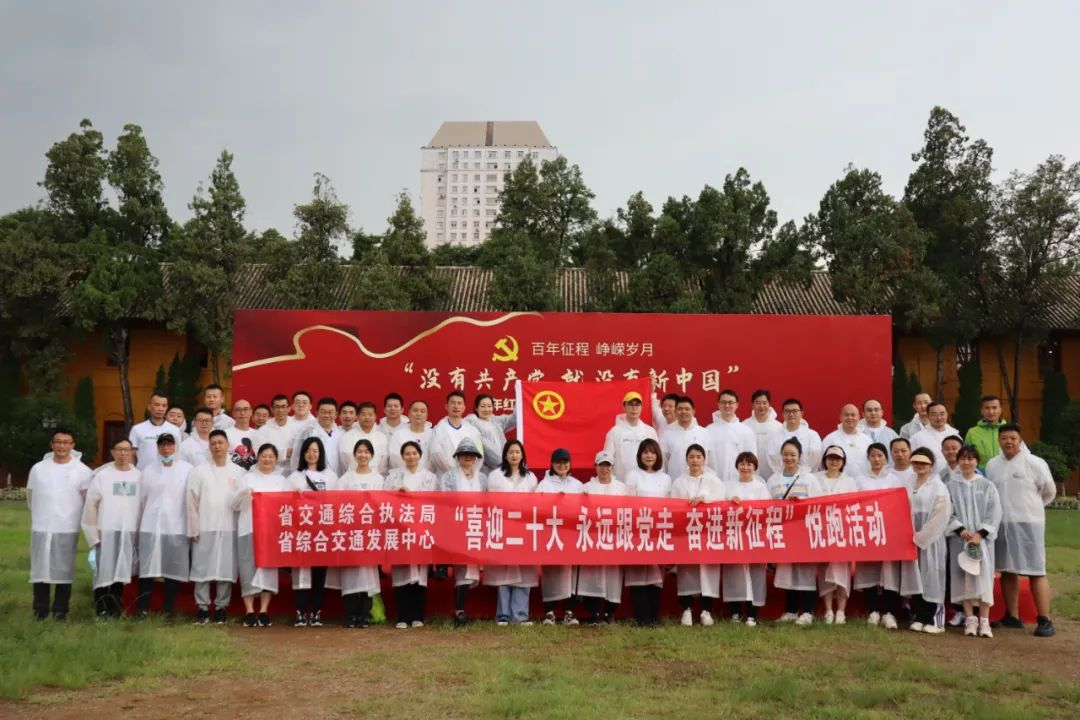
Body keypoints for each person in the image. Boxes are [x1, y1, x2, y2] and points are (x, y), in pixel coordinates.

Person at [987, 424, 1057, 637]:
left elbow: (1049, 491)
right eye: (1004, 438)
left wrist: (1030, 508)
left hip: (1029, 523)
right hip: (1001, 524)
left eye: (1012, 438)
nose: (1008, 442)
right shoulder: (992, 464)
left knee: (1036, 570)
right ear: (999, 440)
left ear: (1020, 439)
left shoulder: (1035, 462)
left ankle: (1044, 619)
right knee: (1007, 569)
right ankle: (1012, 616)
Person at [27, 428, 93, 621]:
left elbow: (87, 501)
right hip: (42, 526)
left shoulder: (83, 471)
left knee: (64, 568)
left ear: (73, 445)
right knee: (40, 568)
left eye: (66, 442)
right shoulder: (38, 469)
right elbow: (31, 496)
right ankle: (40, 609)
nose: (61, 446)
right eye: (58, 442)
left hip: (67, 527)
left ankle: (60, 610)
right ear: (52, 444)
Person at [232, 443, 292, 628]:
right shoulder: (246, 478)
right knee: (247, 568)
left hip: (270, 532)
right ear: (257, 458)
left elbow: (288, 506)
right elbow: (234, 504)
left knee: (268, 570)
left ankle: (264, 610)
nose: (267, 459)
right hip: (248, 528)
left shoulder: (281, 481)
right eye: (264, 456)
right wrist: (245, 494)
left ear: (276, 459)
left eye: (271, 456)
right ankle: (250, 611)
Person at [186, 429, 243, 625]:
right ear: (209, 447)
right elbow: (191, 502)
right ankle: (202, 607)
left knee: (225, 568)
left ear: (227, 445)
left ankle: (221, 607)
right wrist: (193, 528)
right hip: (205, 526)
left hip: (229, 527)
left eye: (220, 442)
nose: (217, 446)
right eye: (213, 443)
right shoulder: (199, 471)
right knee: (202, 568)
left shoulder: (239, 472)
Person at [946, 445, 1002, 638]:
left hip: (982, 541)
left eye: (970, 458)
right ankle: (970, 619)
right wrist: (959, 528)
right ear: (958, 462)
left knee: (984, 578)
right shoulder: (951, 486)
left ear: (977, 461)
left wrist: (981, 533)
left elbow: (994, 511)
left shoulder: (987, 485)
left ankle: (984, 620)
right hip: (959, 539)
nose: (966, 462)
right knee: (963, 577)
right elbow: (947, 511)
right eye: (963, 458)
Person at [82, 438, 142, 618]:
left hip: (128, 531)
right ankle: (101, 608)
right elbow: (91, 505)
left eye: (127, 450)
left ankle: (115, 609)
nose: (123, 453)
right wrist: (93, 534)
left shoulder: (139, 476)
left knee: (121, 570)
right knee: (103, 570)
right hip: (105, 530)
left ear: (132, 452)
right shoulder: (103, 476)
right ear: (112, 452)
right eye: (119, 449)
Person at [854, 443, 911, 629]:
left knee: (889, 572)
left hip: (889, 531)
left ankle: (888, 612)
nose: (876, 459)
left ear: (886, 458)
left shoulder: (894, 480)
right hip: (867, 530)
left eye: (880, 455)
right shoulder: (860, 480)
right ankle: (872, 611)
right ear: (868, 458)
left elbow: (900, 505)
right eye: (873, 456)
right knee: (869, 570)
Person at [135, 433, 193, 619]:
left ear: (176, 446)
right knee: (147, 569)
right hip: (151, 526)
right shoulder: (148, 471)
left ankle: (168, 610)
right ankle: (142, 609)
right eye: (162, 445)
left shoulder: (187, 470)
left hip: (176, 527)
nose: (166, 449)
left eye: (169, 445)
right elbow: (141, 499)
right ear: (158, 448)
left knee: (172, 570)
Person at [766, 438, 822, 625]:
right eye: (785, 454)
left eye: (793, 454)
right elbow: (767, 506)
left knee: (805, 570)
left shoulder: (809, 479)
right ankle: (790, 610)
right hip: (784, 531)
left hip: (804, 530)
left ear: (799, 456)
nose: (789, 458)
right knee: (788, 570)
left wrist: (801, 503)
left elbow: (818, 504)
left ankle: (807, 611)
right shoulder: (773, 479)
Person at [484, 439, 539, 626]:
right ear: (505, 455)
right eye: (511, 452)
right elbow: (492, 502)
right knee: (503, 571)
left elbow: (536, 504)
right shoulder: (495, 476)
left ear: (522, 455)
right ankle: (503, 615)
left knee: (524, 571)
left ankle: (520, 615)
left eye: (517, 452)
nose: (514, 455)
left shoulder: (531, 478)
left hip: (524, 529)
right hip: (504, 527)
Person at [385, 441, 438, 628]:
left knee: (419, 576)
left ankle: (418, 616)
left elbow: (433, 501)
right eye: (407, 454)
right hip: (400, 530)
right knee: (402, 575)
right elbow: (385, 499)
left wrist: (413, 496)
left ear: (420, 455)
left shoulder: (430, 477)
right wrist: (397, 494)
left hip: (420, 530)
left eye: (414, 453)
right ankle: (402, 616)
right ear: (402, 456)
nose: (411, 457)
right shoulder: (393, 476)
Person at [669, 443, 723, 626]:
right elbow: (673, 507)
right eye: (691, 457)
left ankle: (706, 611)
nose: (695, 460)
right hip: (686, 533)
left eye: (699, 457)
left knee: (708, 571)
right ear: (686, 459)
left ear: (704, 459)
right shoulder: (679, 482)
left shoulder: (714, 481)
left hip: (707, 534)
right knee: (687, 571)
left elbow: (720, 502)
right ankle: (687, 610)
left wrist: (704, 499)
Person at [333, 438, 384, 628]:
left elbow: (382, 505)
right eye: (360, 451)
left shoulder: (378, 479)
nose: (363, 455)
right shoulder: (345, 479)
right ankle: (351, 614)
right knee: (351, 573)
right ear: (354, 455)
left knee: (367, 572)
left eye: (366, 452)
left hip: (370, 533)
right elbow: (337, 505)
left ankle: (365, 613)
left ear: (372, 455)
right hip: (350, 531)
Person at [289, 436, 337, 627]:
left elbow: (337, 502)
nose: (312, 454)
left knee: (319, 572)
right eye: (308, 450)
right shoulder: (295, 477)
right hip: (301, 530)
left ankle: (316, 612)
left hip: (322, 531)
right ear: (303, 454)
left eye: (315, 451)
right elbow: (284, 504)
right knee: (300, 572)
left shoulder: (330, 476)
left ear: (321, 453)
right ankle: (300, 612)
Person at [623, 438, 672, 627]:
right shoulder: (632, 475)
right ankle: (641, 617)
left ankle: (654, 616)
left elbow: (669, 504)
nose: (649, 456)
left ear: (658, 455)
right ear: (639, 455)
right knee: (638, 572)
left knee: (655, 574)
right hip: (639, 528)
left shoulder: (665, 478)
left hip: (658, 530)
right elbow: (629, 502)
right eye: (645, 452)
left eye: (652, 452)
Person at [439, 438, 487, 626]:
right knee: (461, 569)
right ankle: (459, 610)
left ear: (476, 458)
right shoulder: (448, 477)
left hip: (476, 526)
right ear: (458, 457)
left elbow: (488, 502)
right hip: (456, 526)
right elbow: (444, 501)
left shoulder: (482, 478)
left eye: (471, 454)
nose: (468, 457)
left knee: (471, 569)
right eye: (464, 454)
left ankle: (461, 609)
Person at [536, 448, 584, 625]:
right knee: (551, 572)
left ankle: (569, 612)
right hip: (551, 534)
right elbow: (537, 506)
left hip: (571, 534)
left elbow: (584, 507)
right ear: (552, 464)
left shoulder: (577, 484)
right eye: (558, 462)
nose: (562, 466)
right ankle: (549, 612)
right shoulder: (544, 484)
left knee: (570, 573)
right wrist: (554, 500)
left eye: (565, 462)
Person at [907, 447, 952, 635]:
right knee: (916, 576)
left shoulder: (938, 486)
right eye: (916, 462)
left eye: (924, 463)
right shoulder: (908, 483)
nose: (919, 466)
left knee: (933, 576)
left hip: (931, 540)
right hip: (910, 539)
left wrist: (922, 536)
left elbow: (940, 515)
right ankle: (919, 616)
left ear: (931, 465)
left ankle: (935, 618)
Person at [578, 451, 627, 624]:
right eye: (601, 465)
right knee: (592, 574)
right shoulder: (586, 487)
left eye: (607, 465)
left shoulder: (621, 488)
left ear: (612, 467)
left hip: (614, 536)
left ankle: (609, 612)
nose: (604, 469)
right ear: (595, 466)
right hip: (593, 537)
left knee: (612, 575)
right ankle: (593, 612)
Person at [722, 451, 770, 627]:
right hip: (733, 536)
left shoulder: (761, 487)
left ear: (755, 467)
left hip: (754, 536)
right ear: (737, 466)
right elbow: (719, 509)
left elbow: (767, 511)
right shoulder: (727, 486)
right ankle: (735, 611)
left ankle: (752, 614)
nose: (745, 467)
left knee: (755, 575)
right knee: (734, 574)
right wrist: (729, 502)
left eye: (749, 464)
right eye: (742, 463)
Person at [815, 446, 857, 624]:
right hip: (821, 530)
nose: (833, 461)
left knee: (841, 571)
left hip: (842, 531)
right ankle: (828, 610)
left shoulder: (850, 481)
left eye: (837, 459)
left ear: (843, 462)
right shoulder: (815, 479)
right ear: (825, 460)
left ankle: (841, 610)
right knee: (824, 569)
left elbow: (855, 504)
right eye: (830, 458)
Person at [603, 390, 659, 482]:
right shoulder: (614, 432)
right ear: (624, 407)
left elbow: (658, 457)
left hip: (646, 483)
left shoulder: (650, 431)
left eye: (637, 405)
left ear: (641, 407)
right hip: (621, 482)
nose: (634, 408)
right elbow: (608, 459)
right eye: (630, 405)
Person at [705, 389, 756, 482]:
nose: (727, 405)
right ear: (718, 404)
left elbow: (752, 459)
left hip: (739, 482)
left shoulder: (746, 431)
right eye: (723, 402)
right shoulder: (708, 431)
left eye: (730, 402)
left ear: (737, 405)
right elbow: (704, 460)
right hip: (714, 482)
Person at [429, 391, 484, 476]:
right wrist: (453, 474)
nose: (456, 406)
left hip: (469, 476)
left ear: (464, 407)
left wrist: (470, 472)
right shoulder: (439, 429)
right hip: (446, 476)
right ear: (446, 406)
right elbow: (436, 454)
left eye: (459, 403)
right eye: (452, 403)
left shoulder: (472, 430)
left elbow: (480, 454)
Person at [766, 398, 823, 476]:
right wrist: (784, 474)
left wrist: (802, 474)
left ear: (801, 413)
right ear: (783, 414)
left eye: (795, 411)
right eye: (787, 411)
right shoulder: (774, 437)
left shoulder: (812, 435)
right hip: (782, 477)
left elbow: (816, 458)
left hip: (807, 477)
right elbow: (772, 459)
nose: (791, 414)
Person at [661, 396, 712, 481]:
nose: (683, 412)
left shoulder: (703, 432)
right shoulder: (667, 433)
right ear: (675, 412)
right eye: (680, 409)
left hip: (698, 482)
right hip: (675, 481)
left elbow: (708, 461)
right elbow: (663, 462)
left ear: (693, 411)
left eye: (687, 409)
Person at [129, 393, 184, 470]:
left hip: (168, 473)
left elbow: (178, 454)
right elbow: (131, 455)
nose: (160, 409)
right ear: (149, 407)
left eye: (164, 406)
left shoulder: (175, 430)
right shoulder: (137, 429)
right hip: (143, 473)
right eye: (157, 405)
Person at [466, 393, 517, 473]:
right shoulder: (472, 425)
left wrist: (520, 398)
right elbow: (487, 450)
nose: (486, 409)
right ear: (476, 408)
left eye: (489, 406)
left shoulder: (496, 421)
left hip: (504, 468)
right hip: (487, 470)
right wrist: (506, 464)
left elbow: (515, 419)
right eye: (483, 406)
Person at [291, 397, 342, 475]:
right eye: (323, 412)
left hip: (337, 477)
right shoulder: (308, 432)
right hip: (313, 477)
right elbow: (297, 457)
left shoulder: (340, 433)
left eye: (330, 412)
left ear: (336, 414)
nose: (327, 415)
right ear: (317, 413)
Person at [822, 405, 872, 479]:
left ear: (859, 417)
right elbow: (823, 464)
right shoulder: (830, 439)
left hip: (864, 482)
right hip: (838, 482)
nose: (850, 417)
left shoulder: (867, 440)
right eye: (846, 415)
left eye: (853, 415)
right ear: (840, 417)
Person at [338, 401, 389, 475]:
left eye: (370, 414)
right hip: (353, 477)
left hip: (376, 478)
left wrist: (374, 475)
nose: (367, 417)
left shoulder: (382, 437)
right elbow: (345, 460)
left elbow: (384, 461)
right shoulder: (348, 436)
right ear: (358, 416)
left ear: (375, 416)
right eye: (363, 414)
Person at [909, 403, 960, 475]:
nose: (939, 418)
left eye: (942, 414)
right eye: (934, 414)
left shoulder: (955, 434)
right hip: (929, 478)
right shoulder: (917, 438)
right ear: (928, 416)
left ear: (947, 414)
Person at [254, 394, 296, 470]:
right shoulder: (263, 430)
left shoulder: (296, 426)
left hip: (292, 470)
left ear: (289, 408)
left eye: (283, 406)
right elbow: (258, 453)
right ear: (272, 409)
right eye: (277, 407)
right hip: (270, 471)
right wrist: (284, 453)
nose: (280, 410)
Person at [743, 389, 782, 472]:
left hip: (774, 471)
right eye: (758, 403)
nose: (761, 406)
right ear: (752, 405)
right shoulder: (745, 425)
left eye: (764, 403)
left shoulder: (778, 427)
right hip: (749, 471)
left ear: (769, 404)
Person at [964, 395, 1006, 471]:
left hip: (1005, 473)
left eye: (994, 408)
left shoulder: (1010, 430)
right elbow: (966, 457)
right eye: (987, 408)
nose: (991, 411)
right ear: (982, 411)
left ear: (1000, 410)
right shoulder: (972, 433)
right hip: (981, 475)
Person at [389, 400, 434, 470]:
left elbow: (434, 457)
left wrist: (422, 473)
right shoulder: (399, 434)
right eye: (415, 410)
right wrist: (411, 471)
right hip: (403, 474)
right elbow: (394, 458)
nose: (418, 414)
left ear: (427, 416)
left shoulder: (433, 434)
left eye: (422, 411)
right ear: (409, 414)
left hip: (427, 474)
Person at [225, 399, 258, 471]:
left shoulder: (258, 434)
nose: (242, 413)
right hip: (232, 475)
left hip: (253, 475)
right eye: (238, 410)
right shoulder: (225, 434)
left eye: (245, 409)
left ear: (251, 412)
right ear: (233, 413)